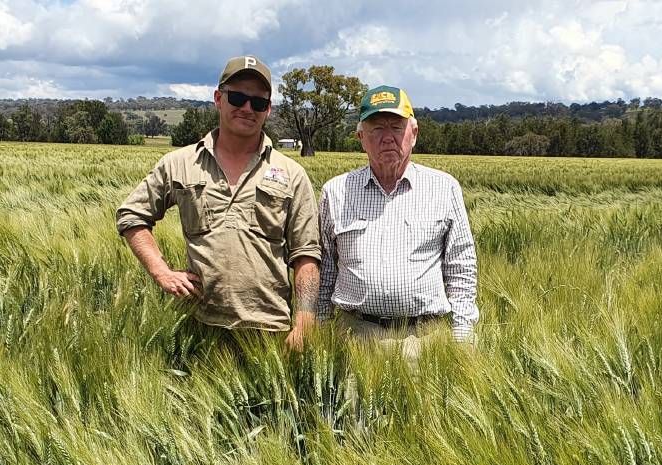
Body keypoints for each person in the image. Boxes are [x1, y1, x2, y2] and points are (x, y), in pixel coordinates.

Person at [116, 56, 321, 352]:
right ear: (218, 99)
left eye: (258, 103)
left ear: (268, 109)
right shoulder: (180, 163)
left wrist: (304, 322)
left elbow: (307, 256)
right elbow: (131, 215)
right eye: (237, 97)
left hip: (271, 332)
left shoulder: (291, 173)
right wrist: (161, 272)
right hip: (198, 328)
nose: (247, 108)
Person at [316, 85, 477, 359]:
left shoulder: (444, 188)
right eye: (377, 128)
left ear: (413, 134)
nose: (388, 137)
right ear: (360, 137)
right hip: (355, 341)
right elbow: (326, 271)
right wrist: (319, 339)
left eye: (396, 127)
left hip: (427, 341)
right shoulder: (336, 192)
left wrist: (462, 342)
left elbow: (461, 269)